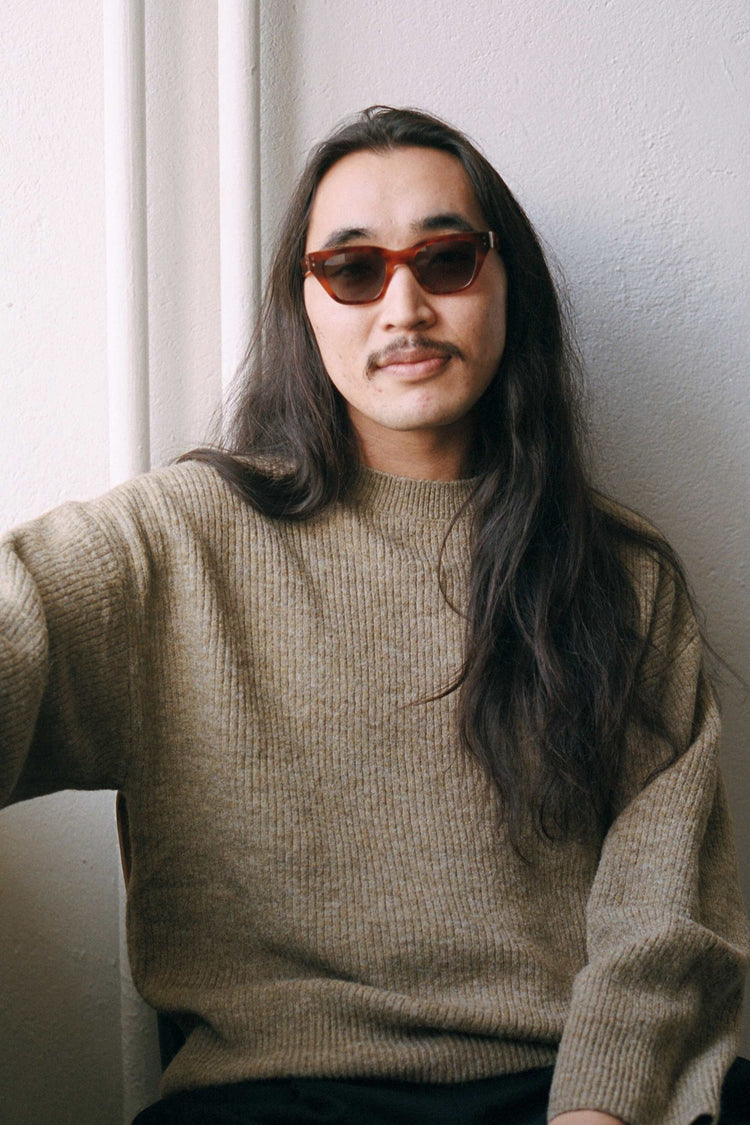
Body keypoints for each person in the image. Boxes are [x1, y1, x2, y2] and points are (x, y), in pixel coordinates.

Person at [1, 106, 748, 1125]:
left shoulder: (620, 574)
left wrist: (599, 1108)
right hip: (272, 1098)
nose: (404, 307)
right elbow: (21, 622)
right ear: (304, 305)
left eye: (445, 260)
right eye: (353, 270)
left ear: (506, 283)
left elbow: (664, 903)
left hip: (566, 1092)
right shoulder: (178, 541)